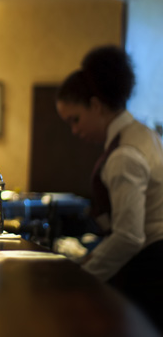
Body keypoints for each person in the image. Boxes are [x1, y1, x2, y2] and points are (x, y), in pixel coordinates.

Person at [56, 45, 163, 331]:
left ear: (96, 105)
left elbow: (129, 236)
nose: (75, 131)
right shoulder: (145, 134)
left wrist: (84, 276)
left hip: (152, 268)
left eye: (75, 120)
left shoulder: (124, 155)